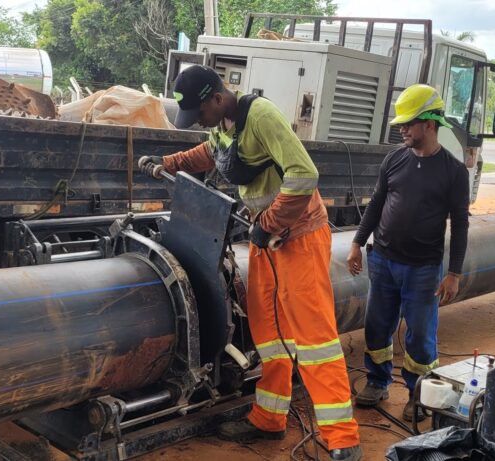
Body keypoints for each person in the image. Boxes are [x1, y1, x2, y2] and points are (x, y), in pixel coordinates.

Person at [139, 65, 361, 461]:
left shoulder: (260, 116)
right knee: (269, 334)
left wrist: (271, 221)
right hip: (266, 240)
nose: (199, 122)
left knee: (315, 340)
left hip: (299, 236)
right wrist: (169, 162)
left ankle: (342, 438)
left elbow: (304, 174)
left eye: (199, 113)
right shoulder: (222, 124)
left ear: (217, 97)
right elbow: (212, 153)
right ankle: (269, 417)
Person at [346, 84, 470, 421]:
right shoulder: (394, 159)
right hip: (383, 261)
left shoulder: (454, 172)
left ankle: (420, 394)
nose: (402, 129)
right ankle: (377, 381)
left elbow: (460, 225)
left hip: (423, 269)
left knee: (420, 336)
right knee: (376, 326)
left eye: (408, 123)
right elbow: (376, 205)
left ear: (429, 124)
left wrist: (454, 273)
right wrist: (357, 242)